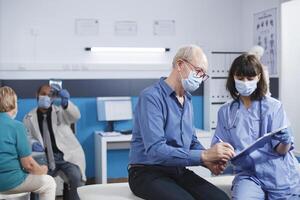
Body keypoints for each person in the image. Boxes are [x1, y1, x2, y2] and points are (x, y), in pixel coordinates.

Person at [128, 45, 235, 200]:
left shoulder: (187, 100)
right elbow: (156, 150)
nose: (200, 78)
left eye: (203, 75)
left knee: (220, 198)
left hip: (176, 170)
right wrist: (204, 155)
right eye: (198, 71)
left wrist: (209, 162)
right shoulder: (151, 97)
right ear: (180, 65)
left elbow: (191, 142)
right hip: (146, 172)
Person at [211, 54, 300, 199]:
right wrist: (219, 157)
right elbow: (220, 146)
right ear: (233, 77)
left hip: (278, 174)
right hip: (249, 175)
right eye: (240, 78)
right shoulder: (226, 111)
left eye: (250, 78)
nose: (245, 82)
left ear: (258, 77)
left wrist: (285, 141)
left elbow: (282, 151)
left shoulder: (274, 107)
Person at [23, 84, 86, 200]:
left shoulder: (60, 112)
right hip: (45, 159)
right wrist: (32, 143)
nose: (46, 97)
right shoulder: (29, 117)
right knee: (37, 182)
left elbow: (76, 116)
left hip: (66, 156)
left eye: (49, 95)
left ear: (53, 98)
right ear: (37, 95)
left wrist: (66, 102)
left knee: (76, 177)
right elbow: (26, 135)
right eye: (43, 94)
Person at [0, 86, 56, 200]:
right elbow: (29, 165)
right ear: (13, 104)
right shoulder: (17, 126)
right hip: (11, 182)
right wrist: (42, 170)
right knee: (49, 183)